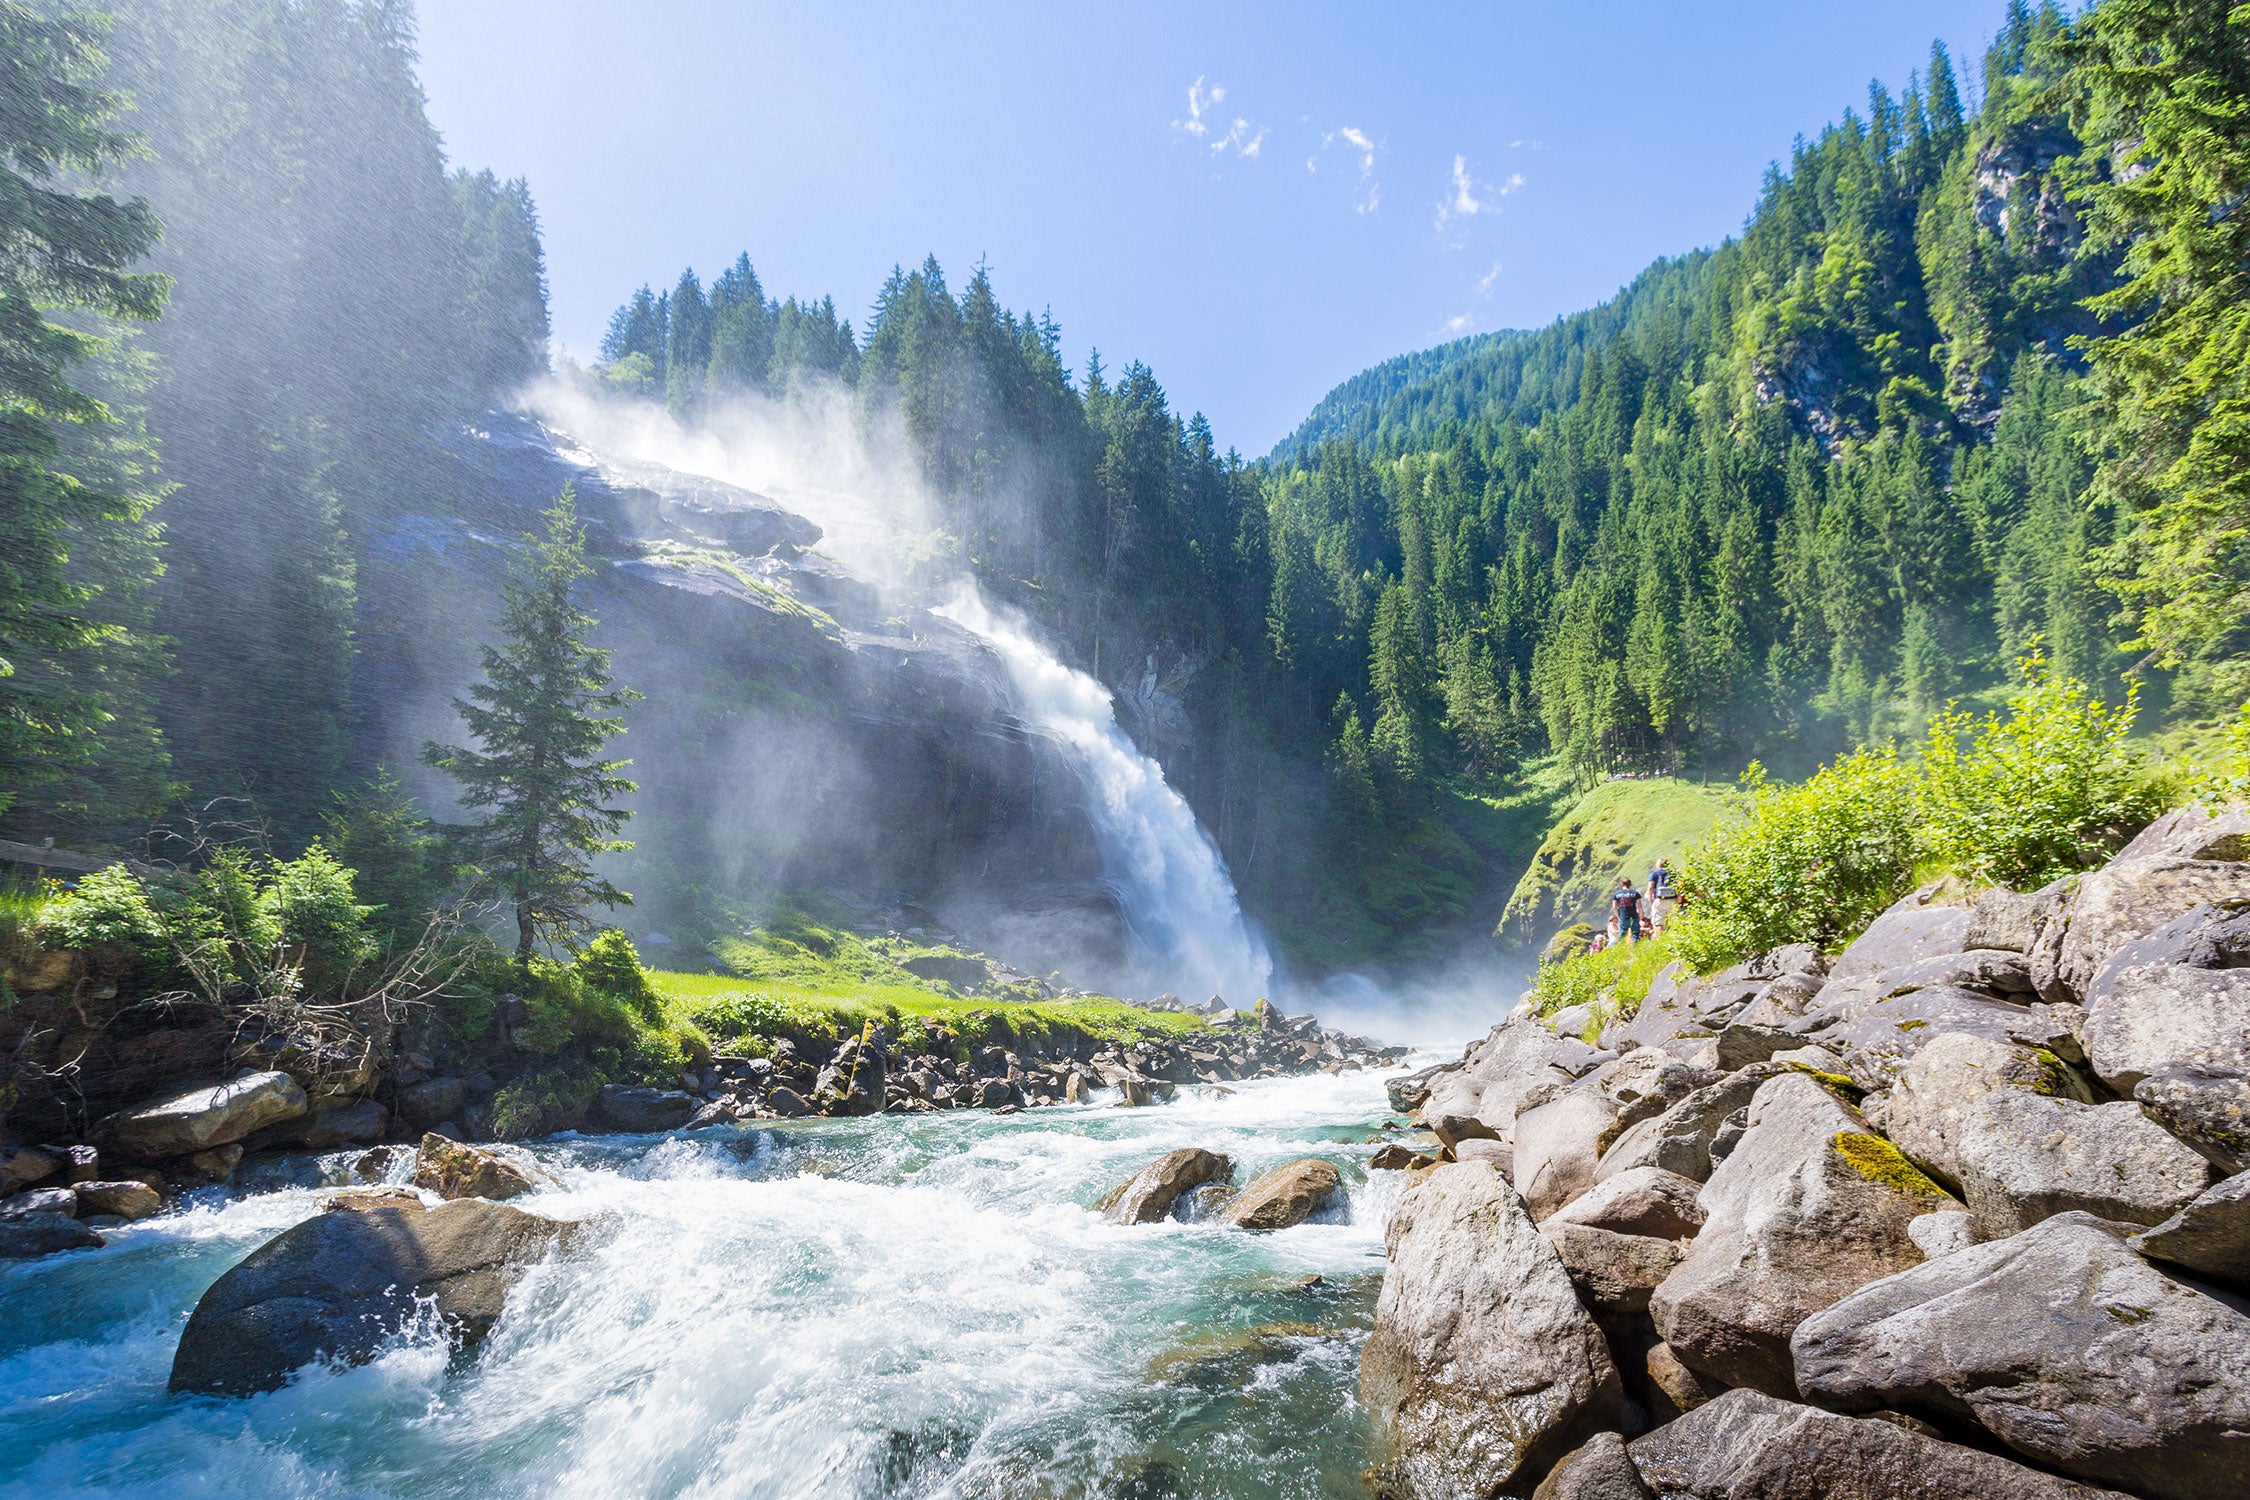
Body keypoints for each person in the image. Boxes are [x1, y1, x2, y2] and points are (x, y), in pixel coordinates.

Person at [1611, 877, 1644, 943]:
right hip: (1634, 916)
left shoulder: (1616, 894)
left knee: (1622, 935)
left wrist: (1618, 916)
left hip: (1623, 917)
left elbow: (1614, 907)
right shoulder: (1635, 893)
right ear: (1630, 884)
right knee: (1635, 934)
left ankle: (1621, 948)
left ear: (1621, 884)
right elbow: (1640, 906)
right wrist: (1641, 918)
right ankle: (1634, 947)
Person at [1647, 858, 1677, 933]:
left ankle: (1660, 940)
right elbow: (1679, 886)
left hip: (1660, 900)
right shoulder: (1673, 873)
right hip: (1673, 900)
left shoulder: (1654, 873)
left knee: (1659, 923)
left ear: (1658, 865)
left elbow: (1650, 888)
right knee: (1674, 922)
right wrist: (1678, 900)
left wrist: (1651, 901)